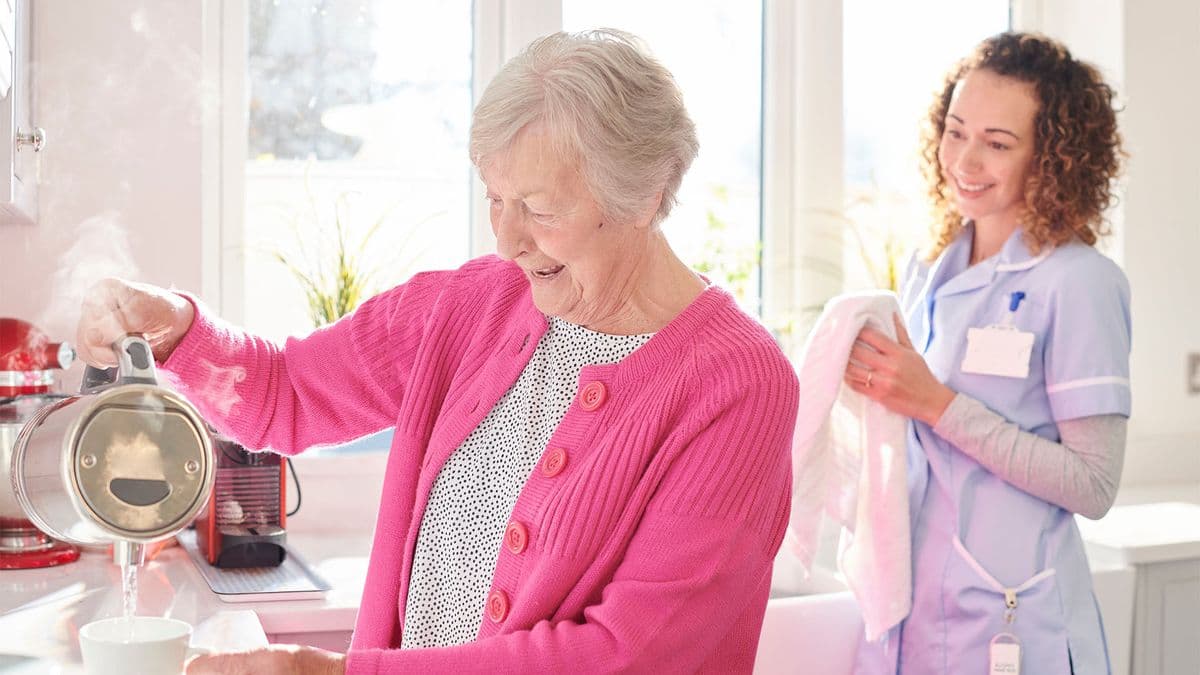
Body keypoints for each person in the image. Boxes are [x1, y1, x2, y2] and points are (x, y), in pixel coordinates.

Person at [78, 29, 799, 674]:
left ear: (645, 196)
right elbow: (290, 390)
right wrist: (172, 324)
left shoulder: (737, 382)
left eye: (540, 210)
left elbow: (632, 654)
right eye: (495, 199)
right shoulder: (471, 303)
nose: (507, 239)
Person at [844, 32, 1129, 673]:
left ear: (1052, 157)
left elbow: (1093, 483)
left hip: (1014, 615)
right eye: (956, 131)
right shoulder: (927, 267)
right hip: (913, 604)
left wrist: (937, 404)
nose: (965, 160)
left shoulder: (1078, 282)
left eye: (998, 144)